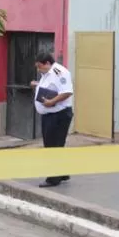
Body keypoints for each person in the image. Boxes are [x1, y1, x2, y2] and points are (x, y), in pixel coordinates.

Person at [31, 52, 75, 188]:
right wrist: (37, 85)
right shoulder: (47, 74)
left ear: (48, 63)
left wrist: (51, 102)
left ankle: (53, 179)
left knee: (53, 146)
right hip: (49, 114)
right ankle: (62, 173)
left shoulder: (59, 72)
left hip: (58, 115)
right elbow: (52, 87)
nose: (38, 70)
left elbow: (67, 92)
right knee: (53, 144)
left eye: (40, 67)